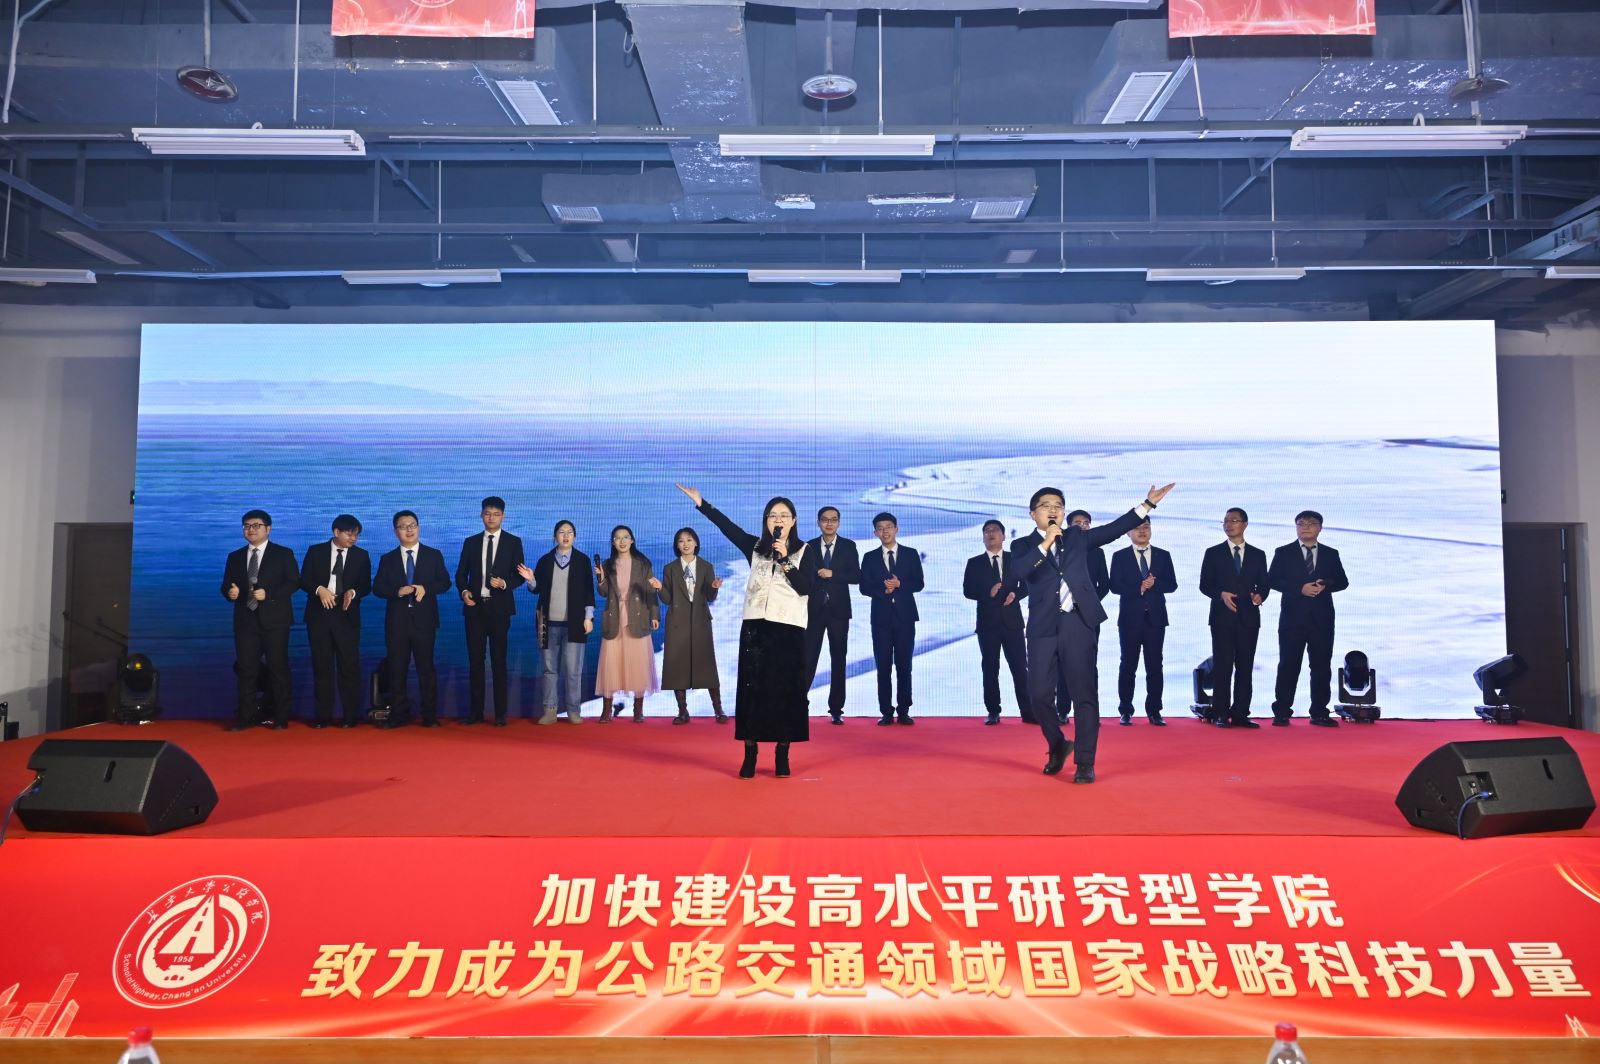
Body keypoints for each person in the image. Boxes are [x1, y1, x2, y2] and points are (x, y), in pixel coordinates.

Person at [1012, 483, 1174, 783]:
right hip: (1043, 627)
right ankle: (1058, 744)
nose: (1053, 510)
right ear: (1033, 513)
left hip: (1078, 623)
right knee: (1039, 695)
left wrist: (1147, 505)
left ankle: (1085, 761)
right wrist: (1046, 543)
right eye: (1046, 506)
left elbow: (1114, 529)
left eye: (1058, 506)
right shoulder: (1023, 546)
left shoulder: (1076, 537)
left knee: (1084, 694)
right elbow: (1019, 572)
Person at [676, 484, 813, 779]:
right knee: (752, 692)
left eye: (784, 515)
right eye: (773, 515)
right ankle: (750, 752)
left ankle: (782, 752)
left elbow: (806, 588)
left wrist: (785, 560)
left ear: (793, 521)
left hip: (788, 629)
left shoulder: (805, 550)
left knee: (785, 691)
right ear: (766, 520)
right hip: (755, 628)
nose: (778, 519)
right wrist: (702, 503)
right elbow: (728, 527)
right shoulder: (755, 547)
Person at [1269, 510, 1350, 728]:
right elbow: (1273, 580)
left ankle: (1320, 712)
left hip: (1322, 619)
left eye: (1311, 523)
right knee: (1288, 664)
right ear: (1296, 527)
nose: (1305, 527)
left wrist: (1326, 584)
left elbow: (1342, 582)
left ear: (1320, 528)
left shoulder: (1331, 553)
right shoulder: (1283, 552)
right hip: (1292, 618)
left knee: (1321, 666)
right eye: (1301, 523)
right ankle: (1282, 711)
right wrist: (1299, 588)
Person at [221, 509, 300, 730]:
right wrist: (230, 592)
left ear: (268, 528)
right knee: (247, 670)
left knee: (278, 669)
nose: (251, 530)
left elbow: (294, 582)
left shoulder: (283, 553)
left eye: (256, 525)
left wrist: (270, 594)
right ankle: (245, 718)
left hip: (275, 621)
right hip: (246, 621)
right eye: (247, 526)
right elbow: (226, 585)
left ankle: (281, 717)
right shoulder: (235, 556)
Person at [371, 510, 452, 728]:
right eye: (403, 526)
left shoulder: (433, 555)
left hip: (424, 622)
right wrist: (397, 591)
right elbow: (377, 588)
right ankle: (398, 715)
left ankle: (429, 716)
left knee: (426, 669)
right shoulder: (387, 559)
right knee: (397, 669)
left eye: (412, 525)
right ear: (395, 531)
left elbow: (445, 583)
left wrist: (426, 588)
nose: (409, 530)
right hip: (397, 623)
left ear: (418, 527)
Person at [455, 496, 526, 726]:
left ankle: (500, 714)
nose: (491, 518)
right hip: (475, 609)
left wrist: (504, 584)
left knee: (499, 661)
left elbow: (519, 577)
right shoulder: (471, 542)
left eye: (496, 514)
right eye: (487, 513)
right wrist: (464, 592)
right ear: (481, 515)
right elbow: (460, 574)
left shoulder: (513, 542)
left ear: (503, 516)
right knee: (475, 661)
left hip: (499, 610)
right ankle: (476, 712)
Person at [517, 520, 596, 725]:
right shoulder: (545, 560)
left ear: (575, 537)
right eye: (561, 532)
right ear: (555, 537)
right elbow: (536, 589)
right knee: (549, 670)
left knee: (573, 671)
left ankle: (573, 710)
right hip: (547, 624)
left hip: (575, 624)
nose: (566, 536)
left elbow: (589, 591)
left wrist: (588, 617)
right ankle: (550, 710)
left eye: (570, 532)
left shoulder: (582, 560)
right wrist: (530, 579)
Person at [1198, 507, 1271, 728]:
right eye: (1226, 521)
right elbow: (1205, 585)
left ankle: (1240, 713)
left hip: (1249, 618)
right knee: (1223, 666)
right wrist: (1221, 594)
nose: (1229, 525)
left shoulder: (1258, 554)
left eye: (1234, 521)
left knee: (1245, 667)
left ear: (1245, 524)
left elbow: (1264, 585)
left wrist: (1260, 596)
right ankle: (1221, 712)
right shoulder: (1213, 553)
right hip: (1222, 617)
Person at [298, 514, 371, 728]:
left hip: (347, 616)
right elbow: (304, 580)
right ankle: (323, 716)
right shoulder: (316, 551)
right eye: (349, 533)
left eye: (356, 535)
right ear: (336, 532)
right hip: (319, 616)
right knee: (322, 666)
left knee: (349, 666)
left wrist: (353, 592)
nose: (353, 538)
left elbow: (366, 585)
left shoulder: (361, 555)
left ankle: (350, 717)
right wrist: (319, 589)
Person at [1107, 517, 1177, 726]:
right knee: (1128, 665)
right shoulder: (1120, 556)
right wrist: (1139, 587)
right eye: (1137, 528)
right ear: (1128, 533)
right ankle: (1125, 710)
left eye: (1146, 527)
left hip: (1156, 619)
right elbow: (1115, 586)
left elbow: (1172, 585)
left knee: (1155, 665)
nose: (1142, 531)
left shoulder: (1163, 555)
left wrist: (1153, 585)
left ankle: (1154, 711)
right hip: (1130, 619)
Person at [652, 526, 725, 724]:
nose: (685, 544)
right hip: (677, 621)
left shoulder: (706, 566)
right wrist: (659, 588)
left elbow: (709, 597)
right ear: (677, 545)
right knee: (678, 666)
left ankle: (718, 709)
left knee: (707, 665)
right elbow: (668, 599)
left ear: (696, 543)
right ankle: (683, 711)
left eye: (689, 540)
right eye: (681, 541)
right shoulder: (670, 568)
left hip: (700, 621)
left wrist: (714, 588)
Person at [962, 519, 1031, 726]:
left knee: (1020, 668)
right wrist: (988, 592)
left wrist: (1015, 594)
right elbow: (968, 591)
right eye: (986, 531)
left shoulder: (1015, 559)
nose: (990, 533)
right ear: (983, 537)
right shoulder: (974, 563)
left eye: (995, 530)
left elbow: (1026, 586)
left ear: (1003, 536)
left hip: (1013, 623)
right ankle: (993, 711)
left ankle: (1028, 711)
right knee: (990, 668)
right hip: (987, 624)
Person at [859, 512, 924, 726]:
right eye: (880, 528)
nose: (885, 531)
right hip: (881, 620)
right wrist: (883, 590)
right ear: (875, 533)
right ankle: (886, 711)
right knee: (883, 666)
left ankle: (904, 710)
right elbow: (864, 587)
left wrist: (900, 584)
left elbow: (919, 583)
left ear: (896, 529)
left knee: (904, 665)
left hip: (905, 618)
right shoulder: (869, 557)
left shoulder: (911, 554)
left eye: (888, 527)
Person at [595, 525, 660, 722]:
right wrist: (600, 578)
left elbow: (650, 591)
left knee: (638, 663)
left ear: (632, 540)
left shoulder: (643, 563)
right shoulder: (607, 564)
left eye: (625, 537)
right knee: (611, 663)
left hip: (638, 616)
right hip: (614, 616)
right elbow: (603, 592)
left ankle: (638, 710)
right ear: (612, 542)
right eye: (617, 538)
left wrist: (654, 615)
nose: (622, 541)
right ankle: (607, 710)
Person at [803, 506, 859, 725]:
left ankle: (836, 709)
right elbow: (803, 577)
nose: (829, 523)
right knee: (808, 658)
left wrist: (832, 574)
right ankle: (799, 704)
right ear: (818, 522)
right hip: (813, 611)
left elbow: (856, 576)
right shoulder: (808, 546)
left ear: (839, 523)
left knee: (839, 659)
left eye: (833, 519)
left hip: (839, 611)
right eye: (825, 520)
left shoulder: (848, 546)